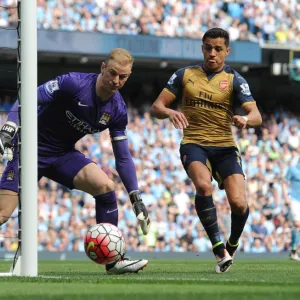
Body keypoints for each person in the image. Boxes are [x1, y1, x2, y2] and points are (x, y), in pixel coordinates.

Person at [0, 48, 150, 274]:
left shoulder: (118, 110)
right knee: (3, 213)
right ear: (102, 68)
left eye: (124, 77)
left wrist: (135, 196)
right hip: (27, 149)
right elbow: (29, 97)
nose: (117, 81)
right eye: (113, 73)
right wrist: (10, 127)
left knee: (105, 187)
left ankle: (113, 261)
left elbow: (123, 156)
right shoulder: (73, 83)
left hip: (62, 154)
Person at [150, 28, 262, 273]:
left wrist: (245, 119)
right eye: (208, 48)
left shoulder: (234, 80)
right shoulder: (184, 75)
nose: (212, 53)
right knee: (203, 186)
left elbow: (256, 115)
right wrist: (169, 111)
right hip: (194, 143)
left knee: (239, 204)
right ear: (202, 49)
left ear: (226, 52)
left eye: (218, 49)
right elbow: (157, 107)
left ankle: (231, 245)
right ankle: (218, 248)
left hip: (225, 147)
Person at [285, 161, 300, 261]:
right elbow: (284, 182)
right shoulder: (292, 168)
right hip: (294, 199)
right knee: (297, 224)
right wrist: (286, 196)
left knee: (296, 227)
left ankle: (294, 250)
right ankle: (294, 250)